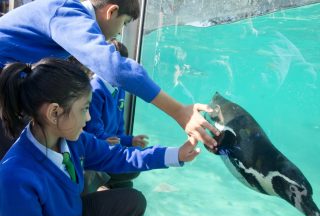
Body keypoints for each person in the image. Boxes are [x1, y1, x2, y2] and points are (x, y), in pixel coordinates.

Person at [0, 58, 200, 216]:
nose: (88, 117)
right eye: (84, 109)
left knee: (133, 201)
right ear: (54, 113)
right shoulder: (14, 178)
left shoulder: (74, 140)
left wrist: (176, 155)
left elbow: (120, 157)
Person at [0, 0, 219, 159]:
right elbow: (113, 67)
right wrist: (179, 111)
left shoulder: (62, 12)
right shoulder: (67, 12)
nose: (120, 32)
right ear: (112, 11)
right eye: (124, 24)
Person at [83, 39, 148, 193]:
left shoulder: (119, 88)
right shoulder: (95, 90)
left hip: (111, 145)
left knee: (129, 183)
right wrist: (111, 143)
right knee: (132, 170)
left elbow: (119, 126)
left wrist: (130, 140)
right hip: (98, 148)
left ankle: (115, 193)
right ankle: (100, 184)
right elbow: (93, 130)